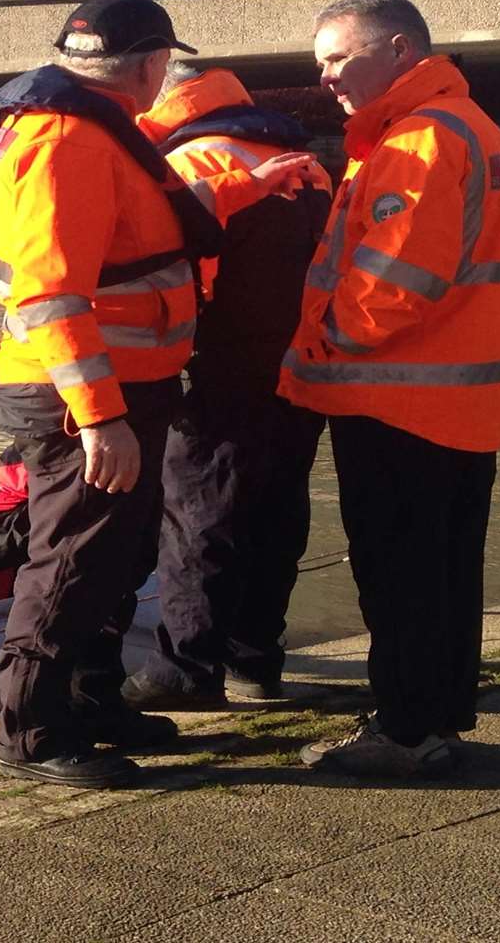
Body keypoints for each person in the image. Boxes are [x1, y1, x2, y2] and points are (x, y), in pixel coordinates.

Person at [0, 0, 316, 789]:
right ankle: (30, 735)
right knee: (70, 564)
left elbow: (149, 228)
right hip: (85, 397)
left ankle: (91, 702)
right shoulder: (63, 138)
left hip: (127, 386)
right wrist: (99, 419)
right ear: (146, 63)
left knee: (116, 558)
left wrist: (245, 183)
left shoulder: (95, 126)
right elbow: (46, 295)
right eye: (165, 61)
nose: (166, 75)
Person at [282, 0, 500, 778]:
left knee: (398, 573)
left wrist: (322, 345)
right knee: (447, 570)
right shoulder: (473, 130)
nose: (325, 78)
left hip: (393, 399)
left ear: (396, 49)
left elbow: (392, 284)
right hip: (460, 401)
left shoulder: (415, 143)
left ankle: (406, 729)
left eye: (337, 58)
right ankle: (438, 714)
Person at [121, 62, 333, 710]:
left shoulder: (192, 161)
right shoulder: (306, 161)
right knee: (277, 508)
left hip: (219, 364)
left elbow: (165, 270)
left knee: (198, 514)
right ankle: (256, 660)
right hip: (302, 364)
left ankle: (185, 669)